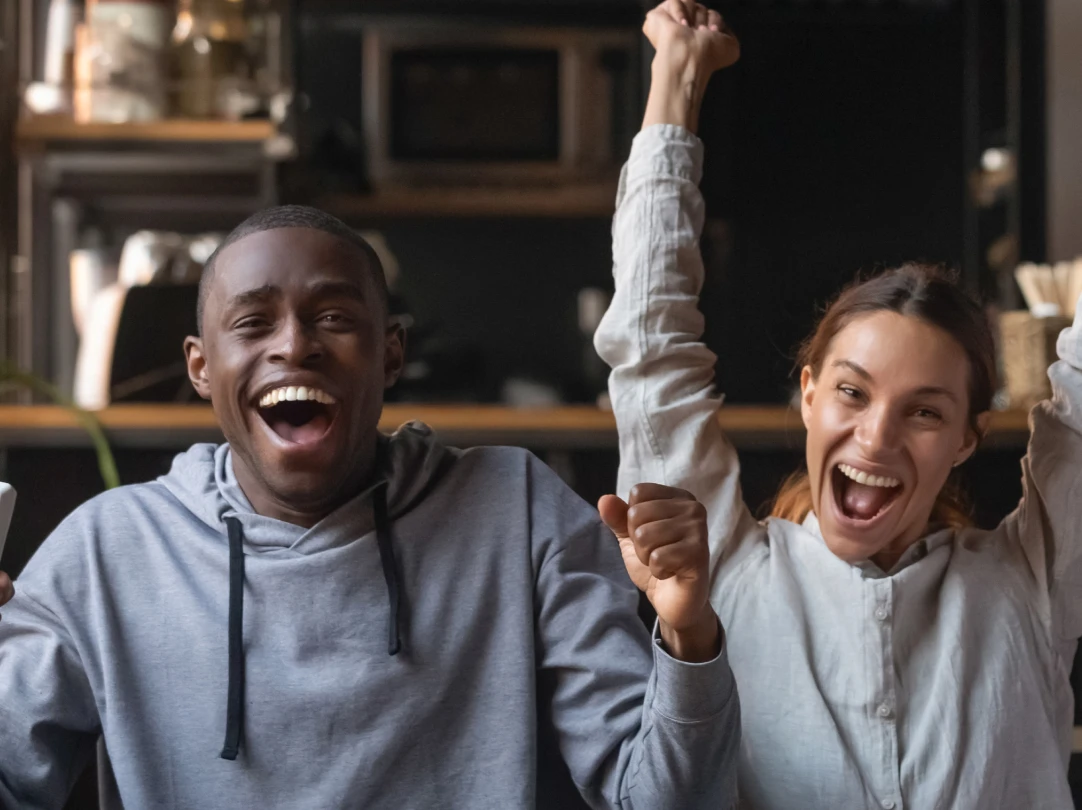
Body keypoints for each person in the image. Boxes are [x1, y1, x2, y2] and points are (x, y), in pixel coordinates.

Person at [0, 97, 743, 810]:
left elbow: (665, 801)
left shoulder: (516, 510)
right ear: (200, 367)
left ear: (391, 355)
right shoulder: (104, 553)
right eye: (253, 322)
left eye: (332, 316)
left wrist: (687, 633)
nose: (294, 345)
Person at [595, 2, 1082, 808]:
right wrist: (675, 80)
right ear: (809, 393)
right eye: (852, 393)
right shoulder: (723, 575)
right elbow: (651, 346)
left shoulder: (1028, 585)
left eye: (925, 412)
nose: (878, 436)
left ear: (968, 437)